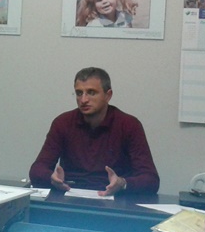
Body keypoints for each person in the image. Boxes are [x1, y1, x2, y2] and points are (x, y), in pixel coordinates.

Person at [29, 67, 160, 196]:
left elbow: (151, 180)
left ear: (108, 95)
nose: (83, 100)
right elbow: (37, 170)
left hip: (113, 198)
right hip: (70, 194)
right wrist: (52, 178)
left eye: (91, 92)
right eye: (79, 93)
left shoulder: (129, 125)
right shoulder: (63, 122)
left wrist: (122, 183)